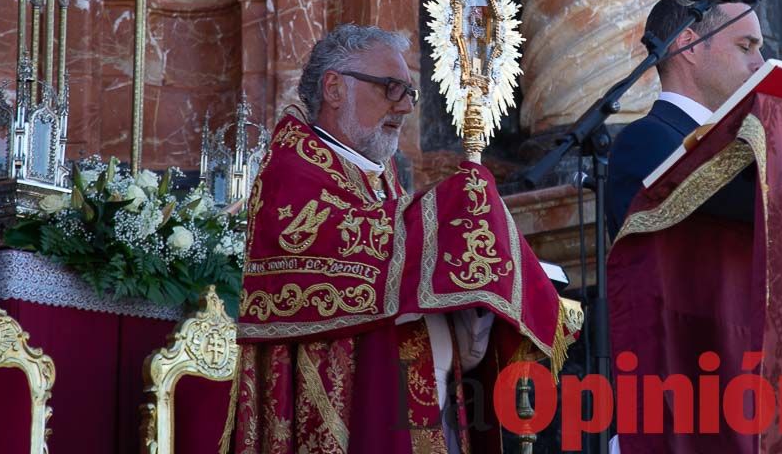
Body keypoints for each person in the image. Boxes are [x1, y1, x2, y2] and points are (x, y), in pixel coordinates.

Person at [227, 24, 575, 454]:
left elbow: (403, 258)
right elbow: (348, 256)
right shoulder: (292, 170)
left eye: (410, 93)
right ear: (334, 88)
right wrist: (457, 206)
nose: (406, 107)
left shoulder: (377, 174)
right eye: (392, 89)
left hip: (425, 397)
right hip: (353, 406)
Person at [605, 0, 764, 239]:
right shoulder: (646, 140)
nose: (760, 64)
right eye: (745, 47)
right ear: (689, 44)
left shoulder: (739, 139)